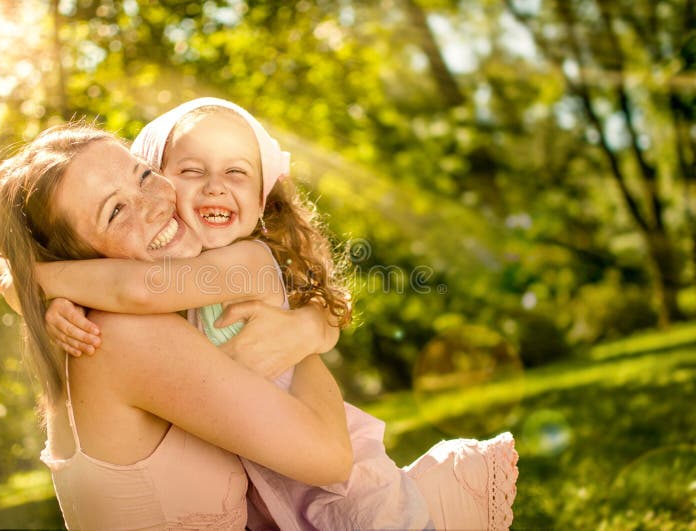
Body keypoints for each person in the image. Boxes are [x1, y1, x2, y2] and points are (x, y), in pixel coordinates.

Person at [37, 98, 519, 530]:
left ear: (262, 199)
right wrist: (65, 305)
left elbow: (136, 290)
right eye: (190, 171)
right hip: (277, 490)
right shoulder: (173, 292)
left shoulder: (245, 262)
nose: (216, 187)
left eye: (237, 173)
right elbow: (126, 289)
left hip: (348, 490)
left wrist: (38, 280)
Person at [0, 123, 355, 530]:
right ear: (77, 259)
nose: (155, 204)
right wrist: (305, 340)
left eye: (144, 175)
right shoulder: (121, 335)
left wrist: (312, 323)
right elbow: (331, 456)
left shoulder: (171, 312)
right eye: (115, 211)